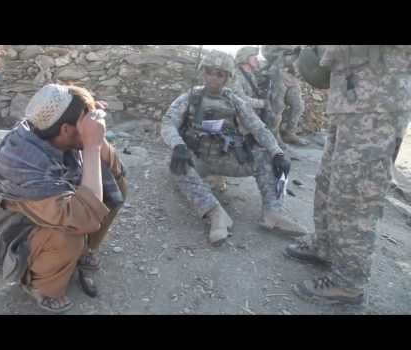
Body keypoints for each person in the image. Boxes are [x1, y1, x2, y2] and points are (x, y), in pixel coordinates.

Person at [285, 45, 411, 305]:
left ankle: (348, 282)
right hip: (348, 101)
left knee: (355, 195)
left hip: (378, 101)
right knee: (329, 183)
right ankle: (325, 246)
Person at [0, 84, 127, 313]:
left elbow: (113, 175)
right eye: (85, 120)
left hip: (50, 204)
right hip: (20, 233)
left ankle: (83, 252)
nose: (93, 123)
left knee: (111, 173)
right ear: (66, 130)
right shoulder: (22, 164)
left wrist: (89, 118)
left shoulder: (47, 127)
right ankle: (42, 286)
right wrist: (91, 144)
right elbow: (86, 218)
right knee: (70, 232)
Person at [161, 49, 307, 247]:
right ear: (202, 72)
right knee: (176, 165)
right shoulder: (190, 97)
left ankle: (273, 213)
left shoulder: (234, 100)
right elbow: (168, 122)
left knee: (269, 158)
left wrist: (277, 152)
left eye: (219, 74)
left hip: (228, 157)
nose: (213, 78)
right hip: (199, 159)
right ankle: (215, 213)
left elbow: (258, 127)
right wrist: (178, 145)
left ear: (227, 77)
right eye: (209, 72)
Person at [261, 45, 308, 146]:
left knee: (298, 105)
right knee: (277, 107)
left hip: (292, 75)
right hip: (277, 72)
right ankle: (274, 136)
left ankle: (290, 133)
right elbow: (266, 52)